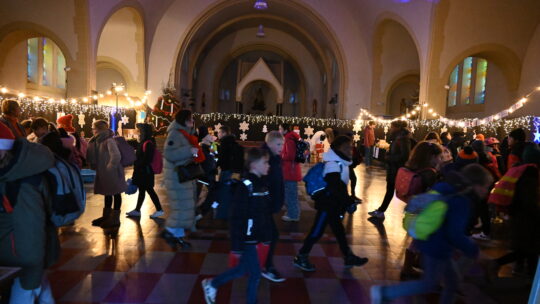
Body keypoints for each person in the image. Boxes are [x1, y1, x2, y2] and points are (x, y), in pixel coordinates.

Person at [371, 164, 494, 304]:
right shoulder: (463, 200)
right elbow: (455, 233)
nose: (486, 191)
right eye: (486, 187)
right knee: (428, 283)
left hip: (430, 240)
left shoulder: (447, 187)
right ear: (476, 185)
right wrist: (475, 251)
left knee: (452, 282)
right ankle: (385, 293)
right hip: (437, 247)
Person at [202, 148, 272, 304]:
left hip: (253, 236)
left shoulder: (261, 184)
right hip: (246, 238)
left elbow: (263, 213)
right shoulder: (246, 186)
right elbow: (237, 218)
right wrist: (237, 247)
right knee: (255, 274)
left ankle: (212, 284)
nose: (268, 165)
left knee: (242, 270)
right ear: (254, 165)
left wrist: (265, 234)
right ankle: (214, 285)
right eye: (265, 162)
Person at [0, 122, 59, 303]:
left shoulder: (21, 181)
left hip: (20, 256)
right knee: (38, 287)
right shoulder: (11, 172)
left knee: (27, 290)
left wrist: (32, 267)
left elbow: (30, 228)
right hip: (16, 253)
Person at [294, 135, 368, 271]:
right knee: (317, 231)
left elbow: (339, 187)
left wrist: (346, 201)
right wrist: (348, 201)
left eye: (350, 147)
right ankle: (301, 256)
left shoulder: (341, 162)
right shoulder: (333, 164)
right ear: (337, 148)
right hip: (327, 205)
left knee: (339, 231)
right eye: (346, 147)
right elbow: (336, 185)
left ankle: (348, 256)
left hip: (333, 205)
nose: (349, 150)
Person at [486, 143, 540, 279]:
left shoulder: (520, 170)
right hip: (527, 218)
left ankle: (526, 275)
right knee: (529, 249)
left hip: (519, 215)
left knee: (527, 249)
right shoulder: (530, 173)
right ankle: (497, 264)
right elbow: (529, 199)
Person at [399, 141, 444, 279]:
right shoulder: (430, 173)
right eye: (438, 157)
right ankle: (408, 267)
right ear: (431, 157)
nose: (440, 159)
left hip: (414, 206)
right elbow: (436, 190)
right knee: (420, 238)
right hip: (425, 210)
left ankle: (414, 263)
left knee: (418, 238)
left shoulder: (414, 167)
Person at [161, 110, 199, 247]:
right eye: (190, 119)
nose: (192, 122)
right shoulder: (175, 134)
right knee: (182, 208)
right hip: (176, 177)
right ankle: (169, 230)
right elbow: (169, 153)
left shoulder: (184, 133)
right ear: (184, 120)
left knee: (183, 207)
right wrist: (189, 151)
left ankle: (178, 236)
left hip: (182, 175)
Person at [87, 120, 127, 228]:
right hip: (105, 172)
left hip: (112, 172)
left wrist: (109, 167)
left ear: (99, 129)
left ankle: (115, 219)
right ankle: (106, 216)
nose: (92, 130)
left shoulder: (109, 140)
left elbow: (116, 156)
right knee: (108, 193)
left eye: (94, 128)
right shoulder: (98, 140)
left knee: (116, 193)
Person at [369, 120, 412, 219]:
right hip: (394, 169)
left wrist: (389, 158)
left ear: (397, 128)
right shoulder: (398, 138)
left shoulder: (403, 139)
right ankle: (381, 211)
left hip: (397, 170)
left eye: (392, 127)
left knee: (400, 192)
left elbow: (405, 156)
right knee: (391, 191)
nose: (390, 129)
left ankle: (411, 214)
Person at [261, 131, 286, 282]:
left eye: (282, 144)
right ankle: (266, 266)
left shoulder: (275, 158)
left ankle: (263, 264)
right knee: (272, 235)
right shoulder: (265, 159)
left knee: (268, 235)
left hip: (268, 205)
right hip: (264, 205)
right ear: (269, 144)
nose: (282, 147)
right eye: (278, 144)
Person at [126, 123, 163, 219]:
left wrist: (137, 164)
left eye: (140, 131)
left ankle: (159, 210)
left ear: (144, 132)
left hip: (145, 172)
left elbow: (147, 159)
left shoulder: (148, 143)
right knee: (143, 190)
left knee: (150, 190)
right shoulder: (144, 142)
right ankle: (137, 210)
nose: (138, 132)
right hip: (143, 171)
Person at [280, 123, 302, 222]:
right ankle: (292, 212)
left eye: (280, 129)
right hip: (291, 170)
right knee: (291, 193)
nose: (279, 130)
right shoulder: (291, 138)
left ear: (285, 130)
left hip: (290, 170)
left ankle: (293, 215)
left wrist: (280, 154)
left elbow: (290, 156)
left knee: (290, 194)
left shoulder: (289, 139)